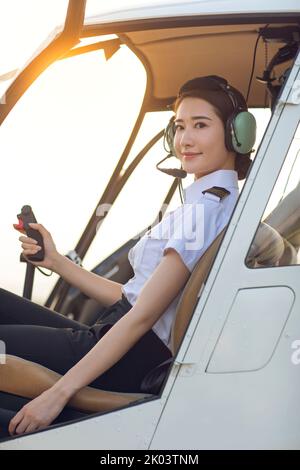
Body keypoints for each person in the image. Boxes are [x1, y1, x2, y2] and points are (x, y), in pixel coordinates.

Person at [0, 75, 256, 437]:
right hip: (120, 337)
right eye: (180, 127)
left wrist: (57, 394)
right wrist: (56, 261)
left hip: (128, 352)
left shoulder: (204, 211)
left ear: (235, 135)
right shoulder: (211, 202)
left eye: (201, 125)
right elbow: (133, 298)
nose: (185, 139)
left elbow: (142, 315)